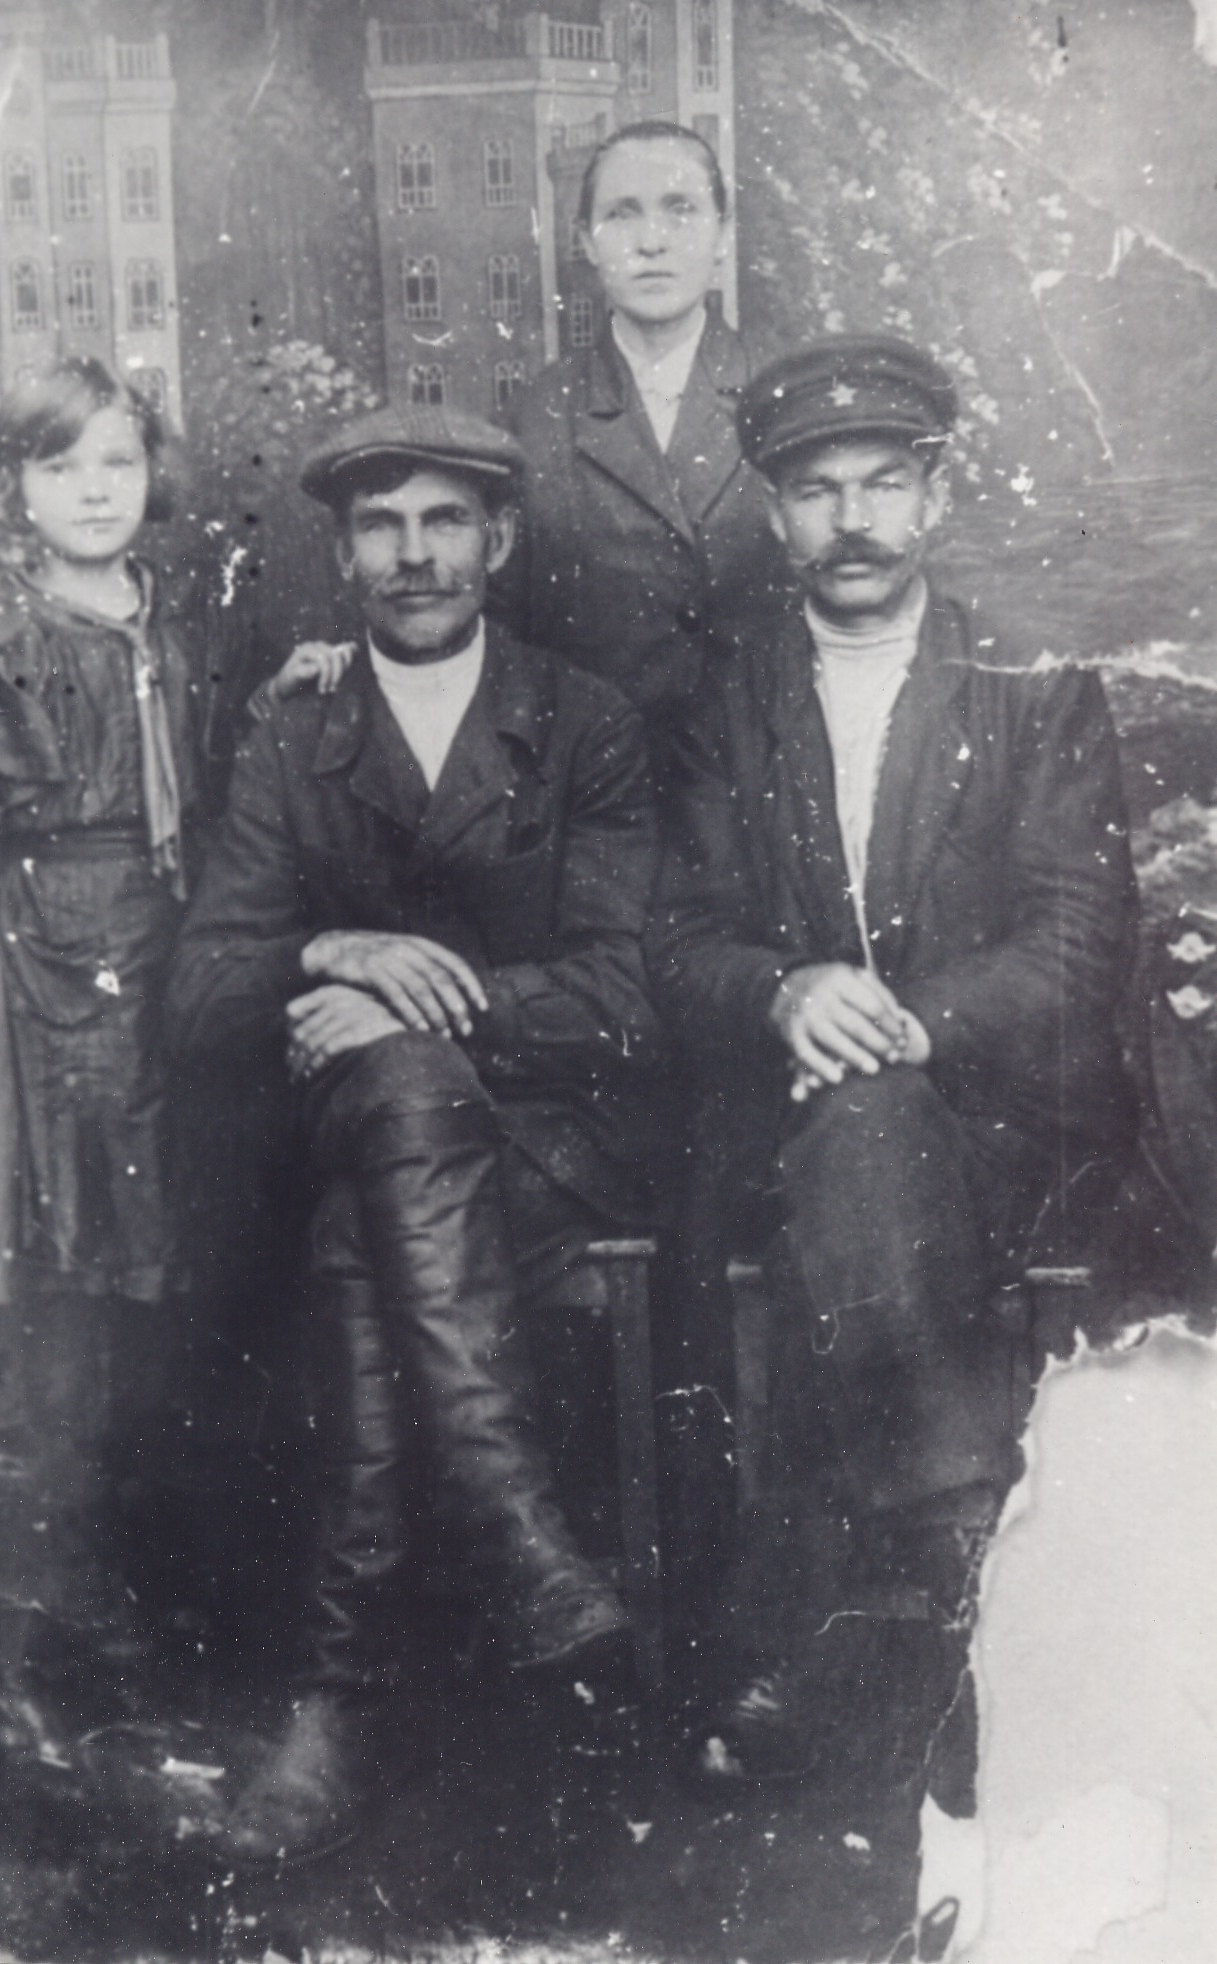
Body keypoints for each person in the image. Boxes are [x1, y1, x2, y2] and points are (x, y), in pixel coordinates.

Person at [166, 403, 662, 1859]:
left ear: (497, 541)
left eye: (445, 520)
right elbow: (201, 989)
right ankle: (529, 1553)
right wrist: (329, 952)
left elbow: (624, 993)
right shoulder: (295, 726)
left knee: (369, 1200)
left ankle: (343, 1691)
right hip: (374, 1144)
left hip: (545, 1149)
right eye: (380, 526)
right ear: (342, 554)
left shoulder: (584, 722)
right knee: (387, 1115)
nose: (414, 553)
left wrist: (415, 1004)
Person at [648, 335, 1138, 1793]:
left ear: (936, 497)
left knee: (872, 1122)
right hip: (783, 1122)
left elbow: (1081, 934)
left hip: (1005, 1120)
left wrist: (920, 1025)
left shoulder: (1030, 686)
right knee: (856, 1130)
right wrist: (781, 989)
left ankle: (856, 1617)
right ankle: (961, 1580)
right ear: (774, 512)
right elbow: (672, 937)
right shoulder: (720, 701)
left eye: (881, 484)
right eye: (816, 490)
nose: (850, 520)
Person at [0, 357, 345, 1461]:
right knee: (68, 1221)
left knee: (181, 1194)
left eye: (118, 461)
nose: (95, 490)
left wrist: (277, 694)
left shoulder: (182, 615)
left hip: (174, 935)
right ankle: (74, 1488)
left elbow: (204, 762)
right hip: (39, 956)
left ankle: (178, 1482)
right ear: (15, 487)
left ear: (154, 472)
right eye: (59, 467)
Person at [507, 120, 789, 766]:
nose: (652, 242)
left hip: (762, 776)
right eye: (621, 214)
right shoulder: (536, 418)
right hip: (596, 784)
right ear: (585, 240)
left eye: (681, 209)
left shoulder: (781, 396)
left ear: (724, 234)